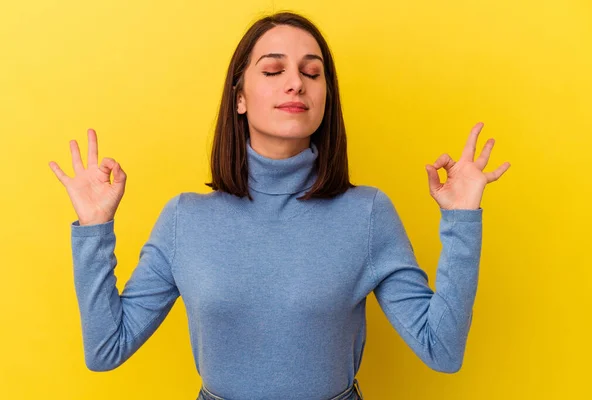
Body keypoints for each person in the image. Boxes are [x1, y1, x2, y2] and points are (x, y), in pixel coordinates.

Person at [48, 11, 510, 400]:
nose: (296, 84)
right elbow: (107, 349)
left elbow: (442, 351)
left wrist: (461, 219)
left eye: (312, 73)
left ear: (326, 98)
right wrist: (94, 228)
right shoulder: (185, 219)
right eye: (273, 71)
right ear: (241, 98)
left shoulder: (367, 214)